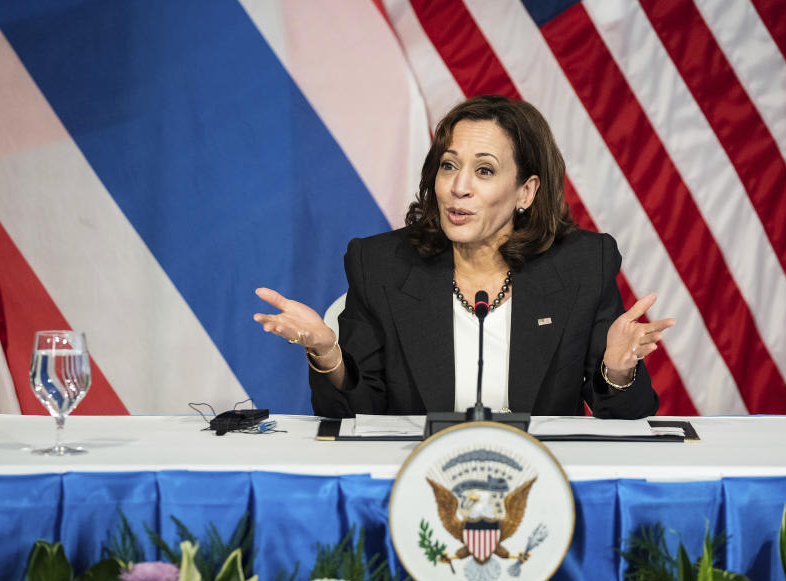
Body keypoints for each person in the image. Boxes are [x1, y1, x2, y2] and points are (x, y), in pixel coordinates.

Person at [254, 95, 674, 419]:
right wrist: (328, 352)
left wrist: (617, 371)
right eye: (449, 166)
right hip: (415, 479)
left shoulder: (581, 264)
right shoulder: (380, 264)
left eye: (485, 171)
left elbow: (628, 420)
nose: (459, 187)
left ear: (526, 192)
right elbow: (356, 417)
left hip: (543, 483)